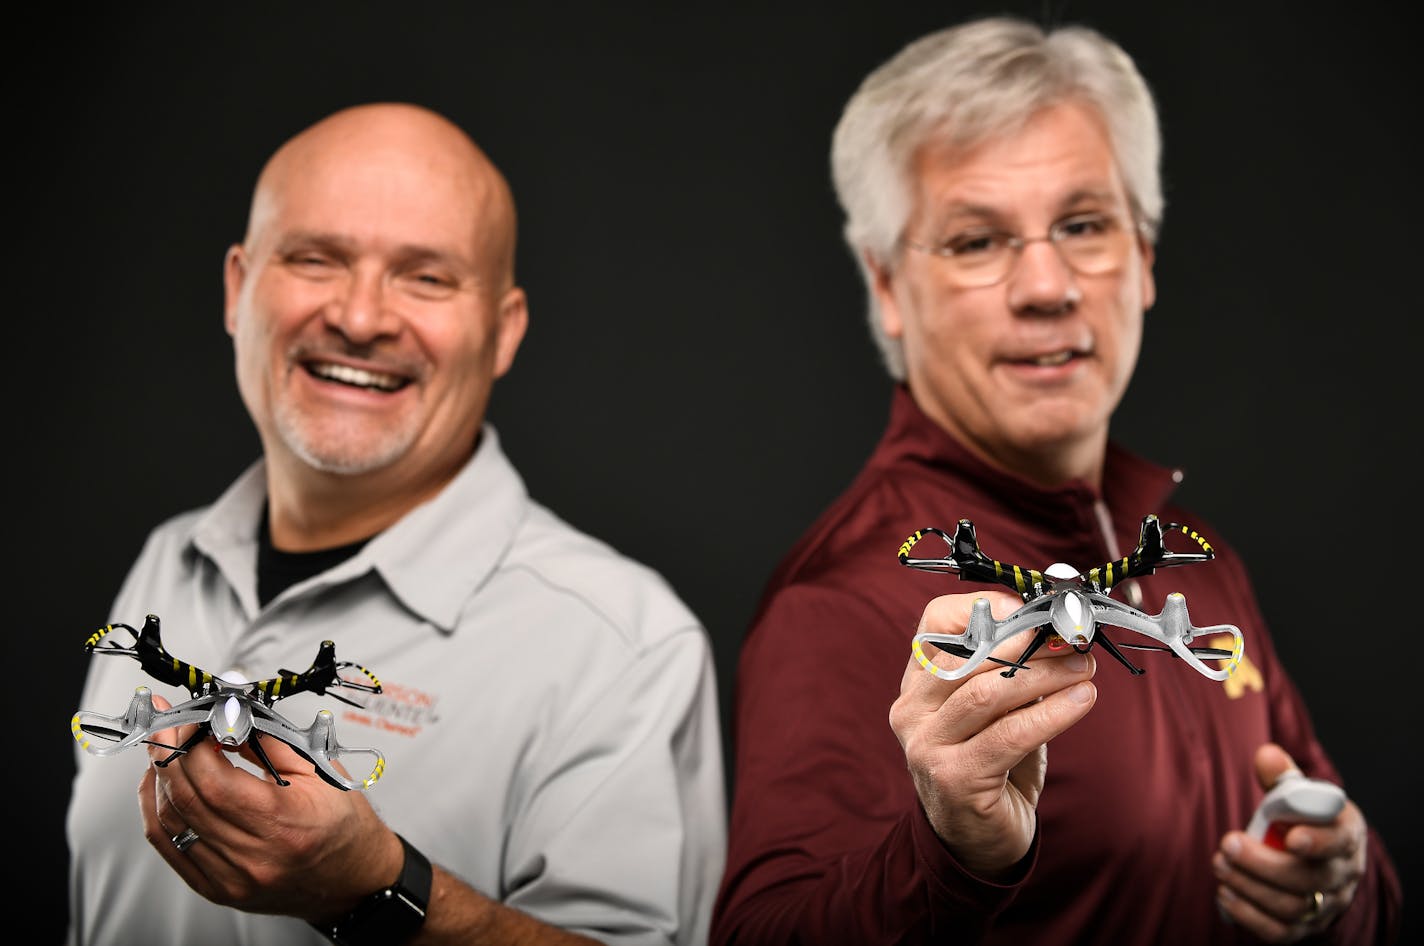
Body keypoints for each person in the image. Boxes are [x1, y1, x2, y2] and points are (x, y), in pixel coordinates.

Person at [711, 16, 1400, 946]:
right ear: (884, 287)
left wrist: (1336, 891)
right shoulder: (845, 602)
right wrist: (952, 854)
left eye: (1083, 224)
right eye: (975, 241)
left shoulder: (1199, 566)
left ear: (1146, 257)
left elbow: (1374, 898)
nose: (1046, 285)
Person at [65, 102, 726, 946]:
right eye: (314, 258)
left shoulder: (625, 647)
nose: (362, 316)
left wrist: (378, 892)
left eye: (427, 277)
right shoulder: (168, 564)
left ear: (503, 332)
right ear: (238, 289)